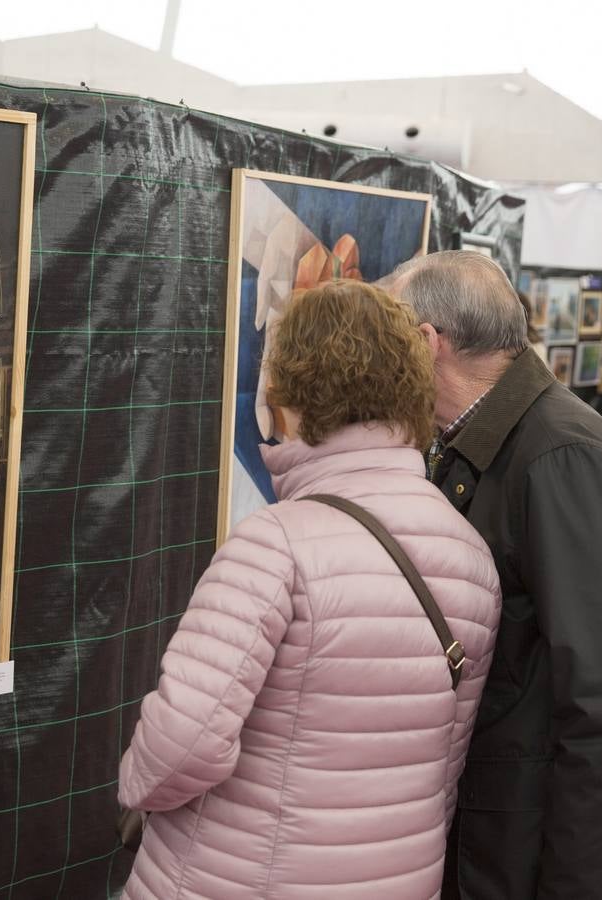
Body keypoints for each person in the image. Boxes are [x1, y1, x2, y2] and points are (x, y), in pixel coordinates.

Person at [118, 280, 502, 899]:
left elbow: (183, 741)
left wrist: (134, 787)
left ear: (292, 393)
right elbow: (445, 762)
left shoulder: (275, 545)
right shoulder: (470, 556)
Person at [389, 251, 602, 899]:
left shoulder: (562, 457)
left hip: (579, 860)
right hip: (514, 834)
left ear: (427, 343)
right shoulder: (489, 445)